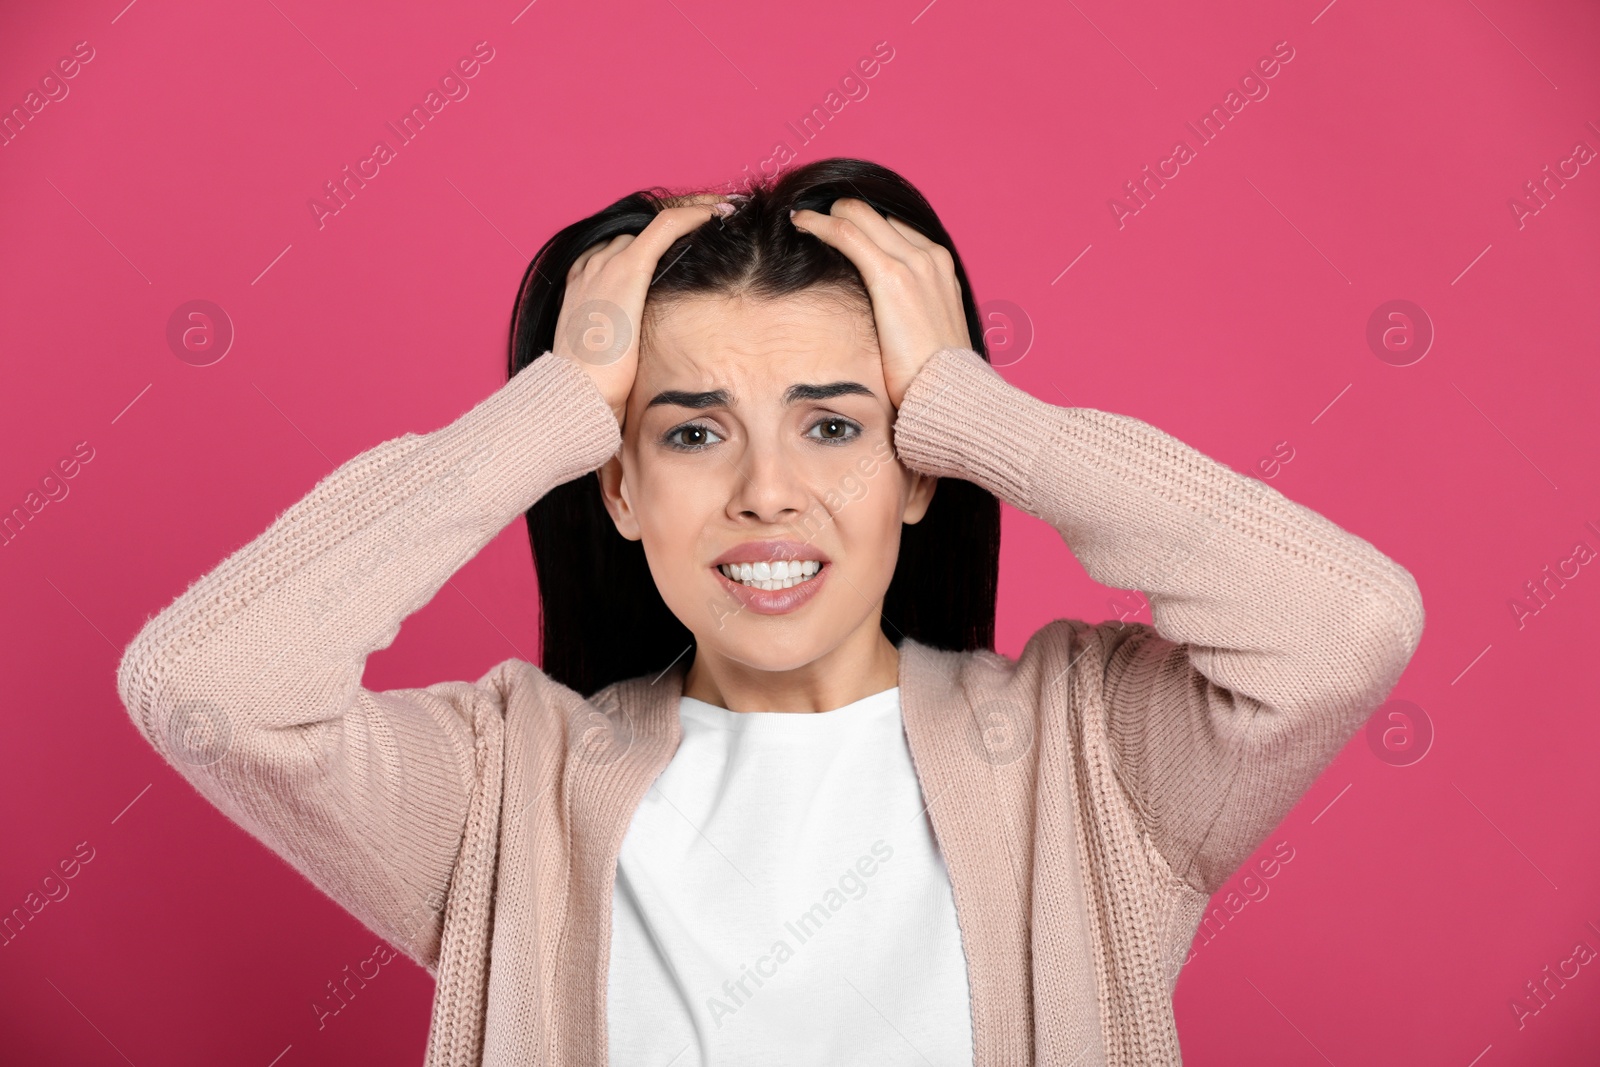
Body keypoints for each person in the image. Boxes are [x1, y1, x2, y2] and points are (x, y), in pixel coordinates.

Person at [116, 157, 1425, 1066]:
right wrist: (559, 406)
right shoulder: (505, 788)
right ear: (618, 485)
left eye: (837, 423)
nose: (768, 493)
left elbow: (1346, 626)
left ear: (919, 462)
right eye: (692, 434)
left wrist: (975, 406)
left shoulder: (1095, 756)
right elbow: (205, 683)